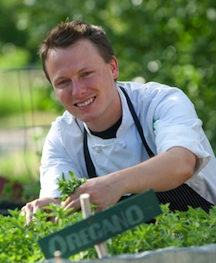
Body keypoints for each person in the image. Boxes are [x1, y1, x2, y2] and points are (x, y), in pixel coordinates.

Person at [21, 20, 216, 225]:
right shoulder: (62, 137)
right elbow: (58, 203)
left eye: (86, 74)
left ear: (113, 67)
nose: (78, 91)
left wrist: (116, 184)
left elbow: (181, 162)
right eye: (63, 82)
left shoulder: (161, 101)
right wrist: (47, 208)